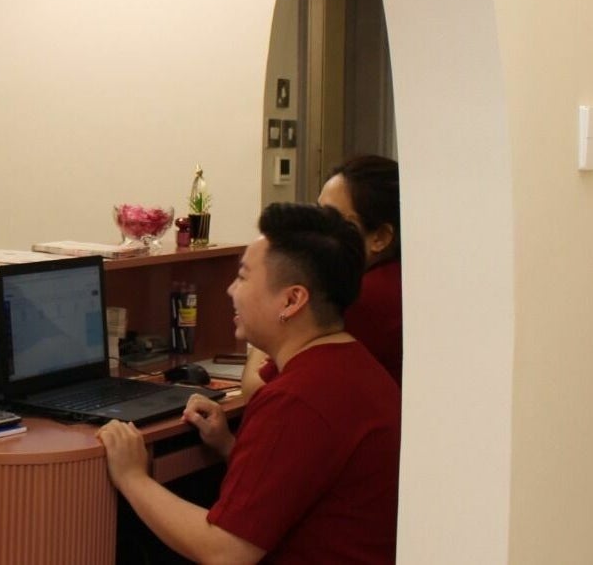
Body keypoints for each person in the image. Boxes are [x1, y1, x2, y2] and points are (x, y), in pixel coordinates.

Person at [98, 203, 400, 564]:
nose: (229, 290)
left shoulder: (298, 400)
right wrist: (230, 445)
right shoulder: (352, 366)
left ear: (291, 300)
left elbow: (226, 552)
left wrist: (133, 477)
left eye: (242, 277)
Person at [242, 155, 402, 396]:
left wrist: (267, 320)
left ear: (380, 237)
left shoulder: (360, 297)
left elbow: (257, 389)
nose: (318, 230)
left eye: (333, 218)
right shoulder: (401, 280)